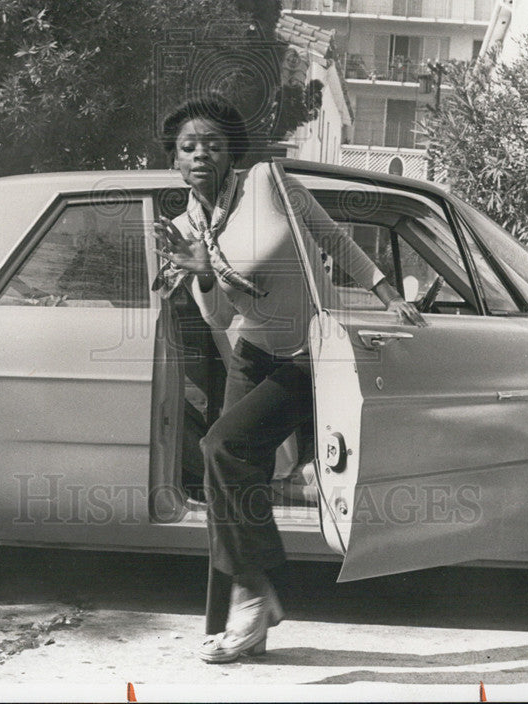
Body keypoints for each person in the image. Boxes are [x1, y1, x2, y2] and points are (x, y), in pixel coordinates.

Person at [153, 96, 425, 663]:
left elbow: (333, 239)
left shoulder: (269, 183)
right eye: (187, 146)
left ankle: (256, 594)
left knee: (221, 447)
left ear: (232, 154)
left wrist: (388, 293)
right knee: (224, 468)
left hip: (312, 350)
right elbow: (222, 321)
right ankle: (240, 623)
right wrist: (201, 273)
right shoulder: (185, 226)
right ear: (175, 161)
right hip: (252, 354)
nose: (200, 153)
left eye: (212, 144)